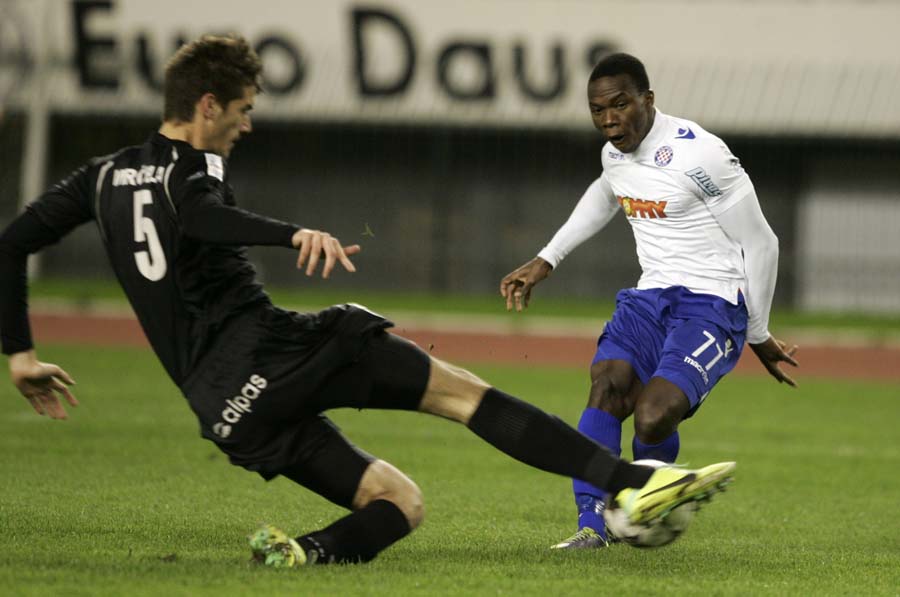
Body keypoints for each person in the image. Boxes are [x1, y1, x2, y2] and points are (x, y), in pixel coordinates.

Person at [0, 38, 736, 567]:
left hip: (225, 408)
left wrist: (21, 354)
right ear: (207, 104)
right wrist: (293, 234)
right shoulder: (193, 169)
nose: (246, 124)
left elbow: (10, 244)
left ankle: (300, 556)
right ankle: (633, 484)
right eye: (244, 109)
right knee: (466, 397)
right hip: (278, 351)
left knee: (399, 503)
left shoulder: (99, 177)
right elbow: (196, 215)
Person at [501, 53, 798, 550]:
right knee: (607, 386)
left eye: (620, 105)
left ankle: (651, 497)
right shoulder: (614, 153)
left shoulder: (701, 154)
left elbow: (762, 243)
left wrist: (757, 332)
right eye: (598, 111)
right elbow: (605, 193)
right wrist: (546, 259)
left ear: (648, 100)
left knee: (653, 415)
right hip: (649, 297)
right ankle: (594, 527)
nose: (610, 120)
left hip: (712, 302)